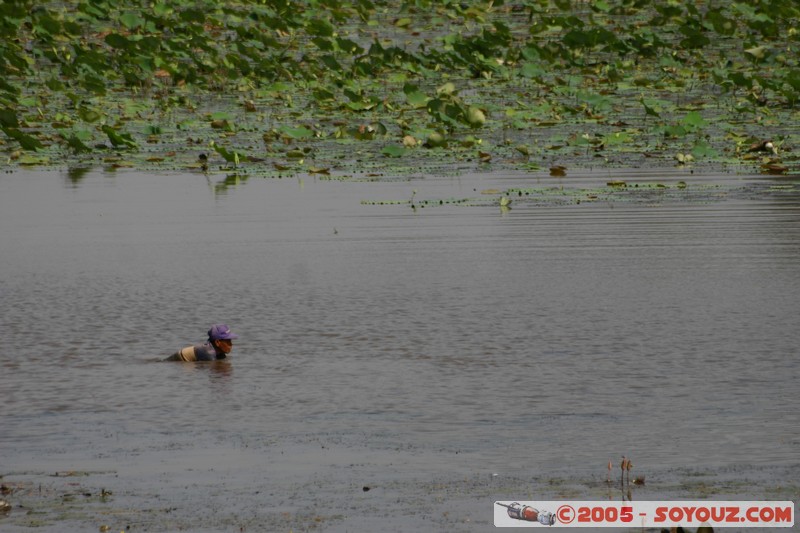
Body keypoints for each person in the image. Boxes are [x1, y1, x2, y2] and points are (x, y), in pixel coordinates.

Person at [166, 324, 239, 361]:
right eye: (228, 341)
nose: (231, 344)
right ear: (217, 342)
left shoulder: (218, 351)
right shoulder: (208, 352)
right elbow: (212, 367)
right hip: (175, 362)